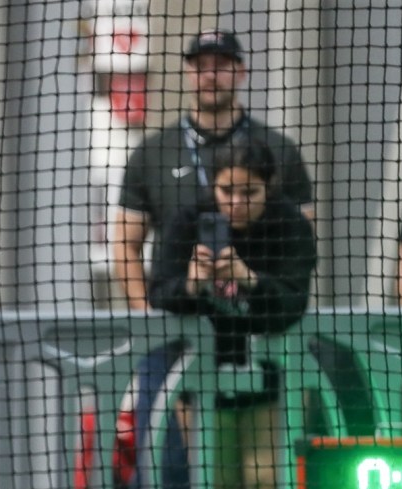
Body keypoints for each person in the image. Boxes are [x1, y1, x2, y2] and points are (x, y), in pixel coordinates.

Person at [148, 139, 315, 489]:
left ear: (269, 188)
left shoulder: (290, 224)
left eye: (250, 192)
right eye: (227, 191)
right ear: (212, 188)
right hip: (204, 386)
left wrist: (248, 279)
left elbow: (292, 302)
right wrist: (195, 283)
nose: (237, 202)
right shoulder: (187, 221)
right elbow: (161, 292)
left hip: (274, 386)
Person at [112, 29, 315, 311]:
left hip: (262, 321)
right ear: (188, 73)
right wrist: (146, 314)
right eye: (201, 66)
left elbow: (302, 237)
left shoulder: (279, 150)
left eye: (221, 66)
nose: (210, 75)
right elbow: (125, 245)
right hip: (180, 317)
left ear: (241, 72)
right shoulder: (153, 153)